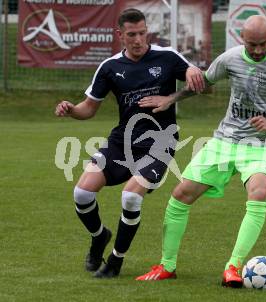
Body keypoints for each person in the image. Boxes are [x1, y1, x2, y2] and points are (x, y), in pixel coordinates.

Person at [134, 15, 266, 287]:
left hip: (263, 145)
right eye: (251, 44)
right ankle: (167, 266)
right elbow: (204, 84)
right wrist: (171, 98)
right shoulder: (230, 58)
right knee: (180, 195)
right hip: (225, 141)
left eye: (263, 44)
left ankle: (233, 267)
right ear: (241, 39)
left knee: (259, 191)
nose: (257, 50)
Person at [54, 8, 204, 279]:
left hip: (160, 142)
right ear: (120, 35)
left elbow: (202, 84)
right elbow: (88, 108)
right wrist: (70, 109)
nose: (138, 40)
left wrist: (172, 97)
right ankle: (99, 237)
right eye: (132, 34)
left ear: (148, 31)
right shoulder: (110, 67)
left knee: (131, 196)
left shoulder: (167, 57)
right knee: (82, 193)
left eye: (142, 33)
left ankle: (115, 260)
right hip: (121, 142)